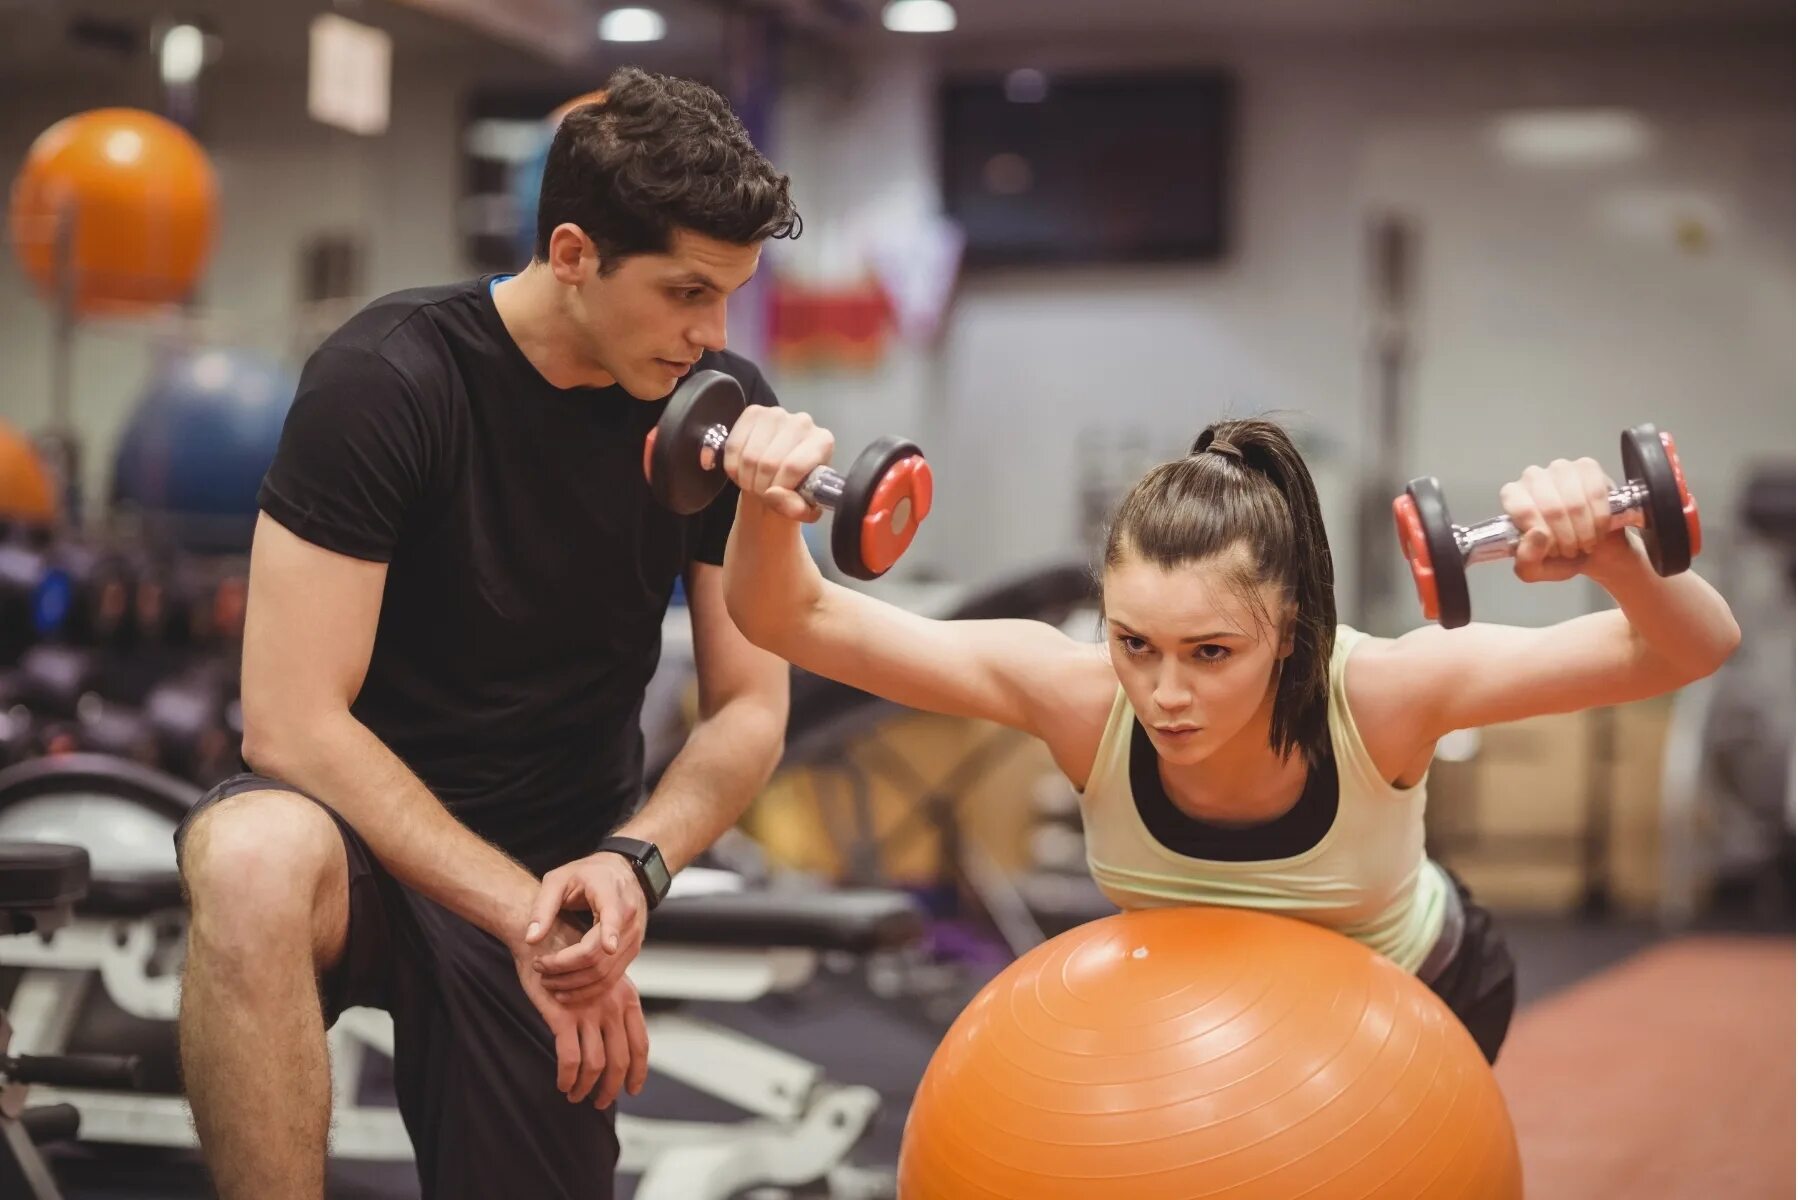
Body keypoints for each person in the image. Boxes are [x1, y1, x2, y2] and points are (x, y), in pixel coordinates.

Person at [174, 68, 800, 1200]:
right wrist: (522, 911)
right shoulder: (389, 378)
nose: (711, 334)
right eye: (685, 292)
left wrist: (630, 865)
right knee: (251, 856)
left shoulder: (712, 406)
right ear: (572, 253)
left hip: (561, 859)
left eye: (731, 297)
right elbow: (291, 722)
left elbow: (750, 707)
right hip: (362, 843)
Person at [718, 414, 1741, 1063]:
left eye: (1211, 653)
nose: (1164, 694)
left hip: (1413, 1008)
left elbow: (1688, 649)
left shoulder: (1381, 692)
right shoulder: (1075, 695)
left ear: (1288, 632)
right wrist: (766, 504)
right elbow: (793, 621)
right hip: (1198, 1018)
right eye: (1135, 644)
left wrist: (1614, 557)